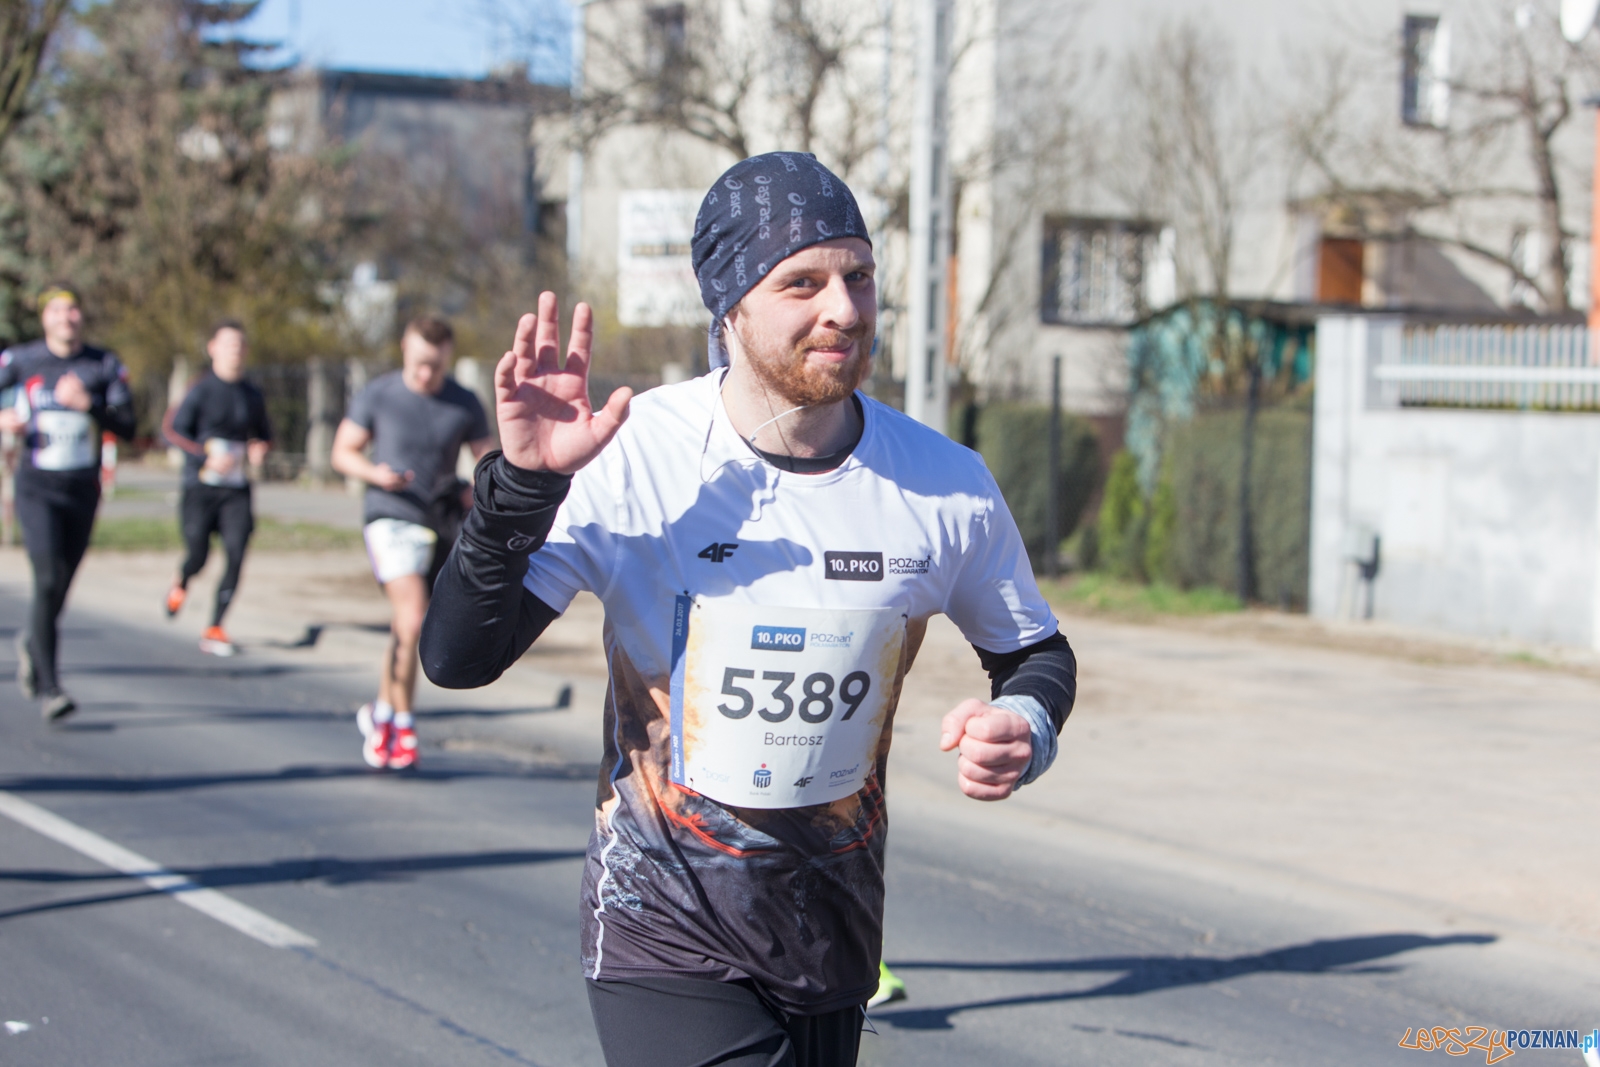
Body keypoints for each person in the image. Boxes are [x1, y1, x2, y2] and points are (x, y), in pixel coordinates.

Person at [420, 152, 1076, 1067]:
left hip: (831, 933)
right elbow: (458, 656)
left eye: (858, 275)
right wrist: (521, 486)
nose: (843, 308)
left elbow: (1036, 651)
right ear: (729, 307)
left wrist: (1025, 721)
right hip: (663, 926)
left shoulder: (942, 484)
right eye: (801, 282)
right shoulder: (633, 452)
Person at [332, 316, 492, 770]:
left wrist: (474, 488)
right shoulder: (379, 394)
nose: (427, 375)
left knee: (407, 625)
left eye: (437, 368)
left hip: (441, 522)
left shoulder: (463, 401)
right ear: (405, 347)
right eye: (421, 364)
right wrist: (375, 474)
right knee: (413, 615)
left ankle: (381, 711)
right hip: (390, 515)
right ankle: (402, 722)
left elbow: (488, 459)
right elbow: (342, 452)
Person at [0, 284, 137, 720]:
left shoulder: (102, 364)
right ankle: (51, 686)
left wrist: (89, 405)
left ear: (81, 316)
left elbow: (129, 425)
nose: (66, 317)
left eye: (73, 309)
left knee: (60, 585)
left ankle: (32, 642)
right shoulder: (21, 361)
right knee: (44, 579)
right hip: (37, 487)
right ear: (45, 318)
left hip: (82, 488)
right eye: (57, 310)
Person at [161, 320, 273, 656]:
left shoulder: (252, 394)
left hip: (236, 489)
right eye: (228, 344)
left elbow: (264, 434)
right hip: (200, 487)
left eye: (240, 345)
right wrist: (204, 456)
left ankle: (215, 626)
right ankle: (182, 581)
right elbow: (172, 431)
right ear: (213, 348)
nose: (234, 351)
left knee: (237, 553)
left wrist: (259, 447)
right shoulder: (201, 389)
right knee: (198, 553)